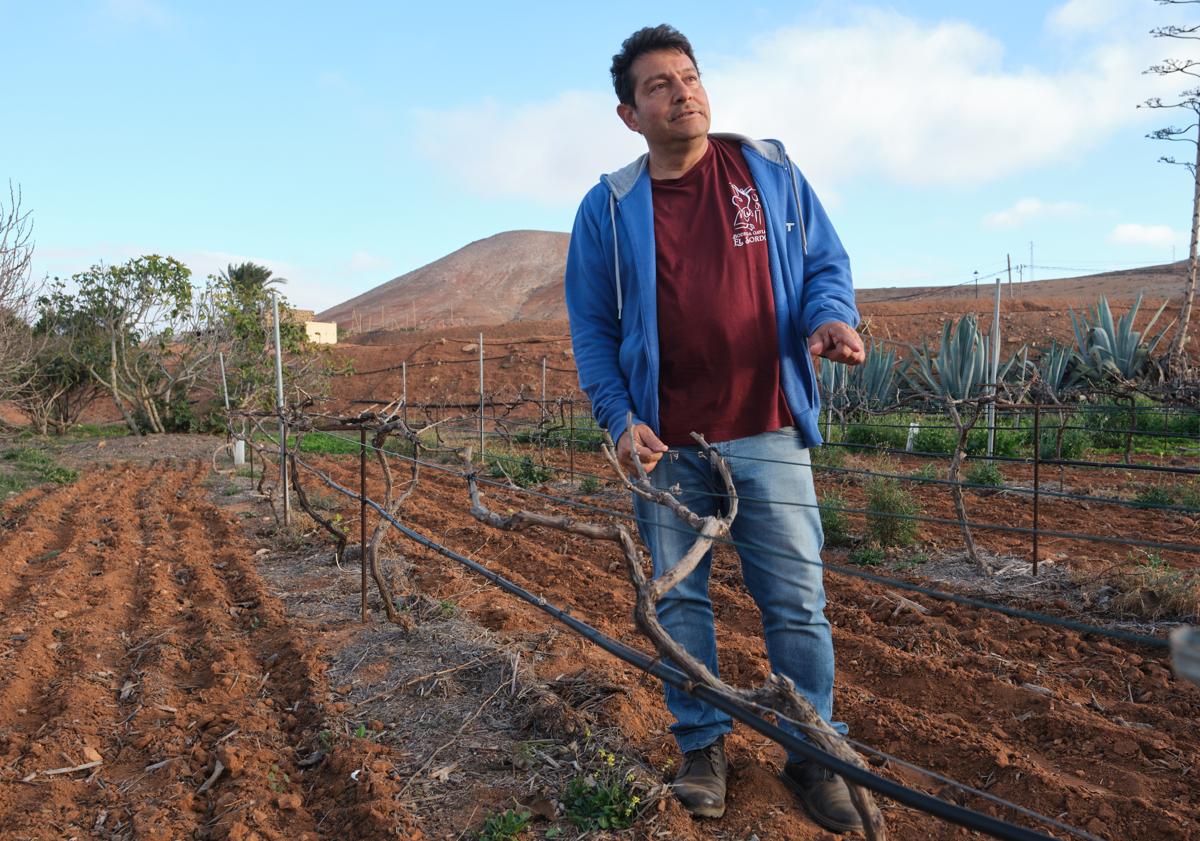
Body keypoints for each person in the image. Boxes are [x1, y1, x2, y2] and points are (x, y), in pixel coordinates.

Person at [563, 24, 867, 834]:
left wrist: (832, 317)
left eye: (690, 76)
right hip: (666, 445)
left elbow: (825, 266)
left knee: (798, 602)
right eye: (659, 85)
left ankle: (815, 751)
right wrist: (619, 419)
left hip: (768, 426)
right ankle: (703, 746)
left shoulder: (765, 170)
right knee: (682, 604)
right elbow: (592, 328)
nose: (682, 92)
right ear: (630, 114)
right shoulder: (610, 205)